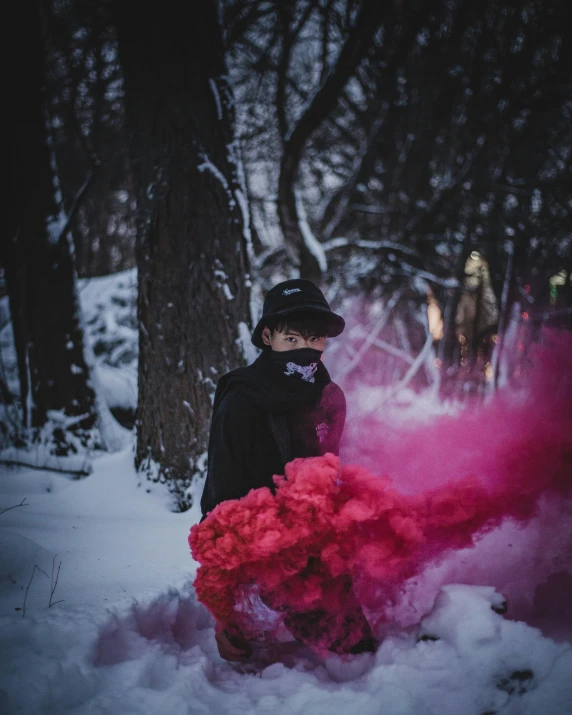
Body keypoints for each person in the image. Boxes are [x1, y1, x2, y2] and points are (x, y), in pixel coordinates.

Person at [200, 279, 374, 661]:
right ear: (268, 336)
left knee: (365, 630)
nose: (304, 351)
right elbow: (219, 503)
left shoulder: (330, 397)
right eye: (291, 340)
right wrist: (222, 613)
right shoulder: (241, 401)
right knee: (352, 652)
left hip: (314, 541)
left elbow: (330, 475)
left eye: (314, 340)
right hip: (262, 550)